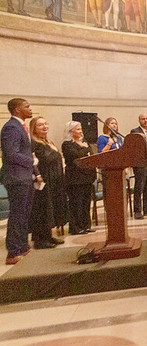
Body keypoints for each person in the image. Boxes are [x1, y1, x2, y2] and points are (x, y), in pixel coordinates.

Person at [1, 98, 40, 264]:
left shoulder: (20, 126)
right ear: (17, 109)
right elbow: (11, 154)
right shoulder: (11, 127)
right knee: (17, 215)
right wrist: (31, 162)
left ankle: (23, 246)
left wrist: (35, 171)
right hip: (16, 178)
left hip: (25, 177)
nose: (30, 109)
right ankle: (13, 252)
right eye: (27, 107)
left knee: (24, 214)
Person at [28, 117, 66, 247]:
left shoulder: (48, 142)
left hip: (54, 179)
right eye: (40, 125)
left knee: (51, 208)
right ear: (34, 129)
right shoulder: (34, 144)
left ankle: (48, 236)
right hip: (43, 179)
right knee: (42, 209)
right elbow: (44, 159)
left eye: (45, 124)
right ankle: (40, 240)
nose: (44, 127)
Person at [62, 121, 97, 236]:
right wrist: (84, 149)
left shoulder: (84, 142)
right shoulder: (67, 144)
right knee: (76, 203)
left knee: (86, 203)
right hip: (75, 178)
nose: (80, 131)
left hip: (87, 177)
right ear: (70, 131)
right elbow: (76, 156)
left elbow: (91, 154)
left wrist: (85, 149)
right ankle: (76, 227)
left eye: (80, 128)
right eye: (77, 129)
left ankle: (86, 225)